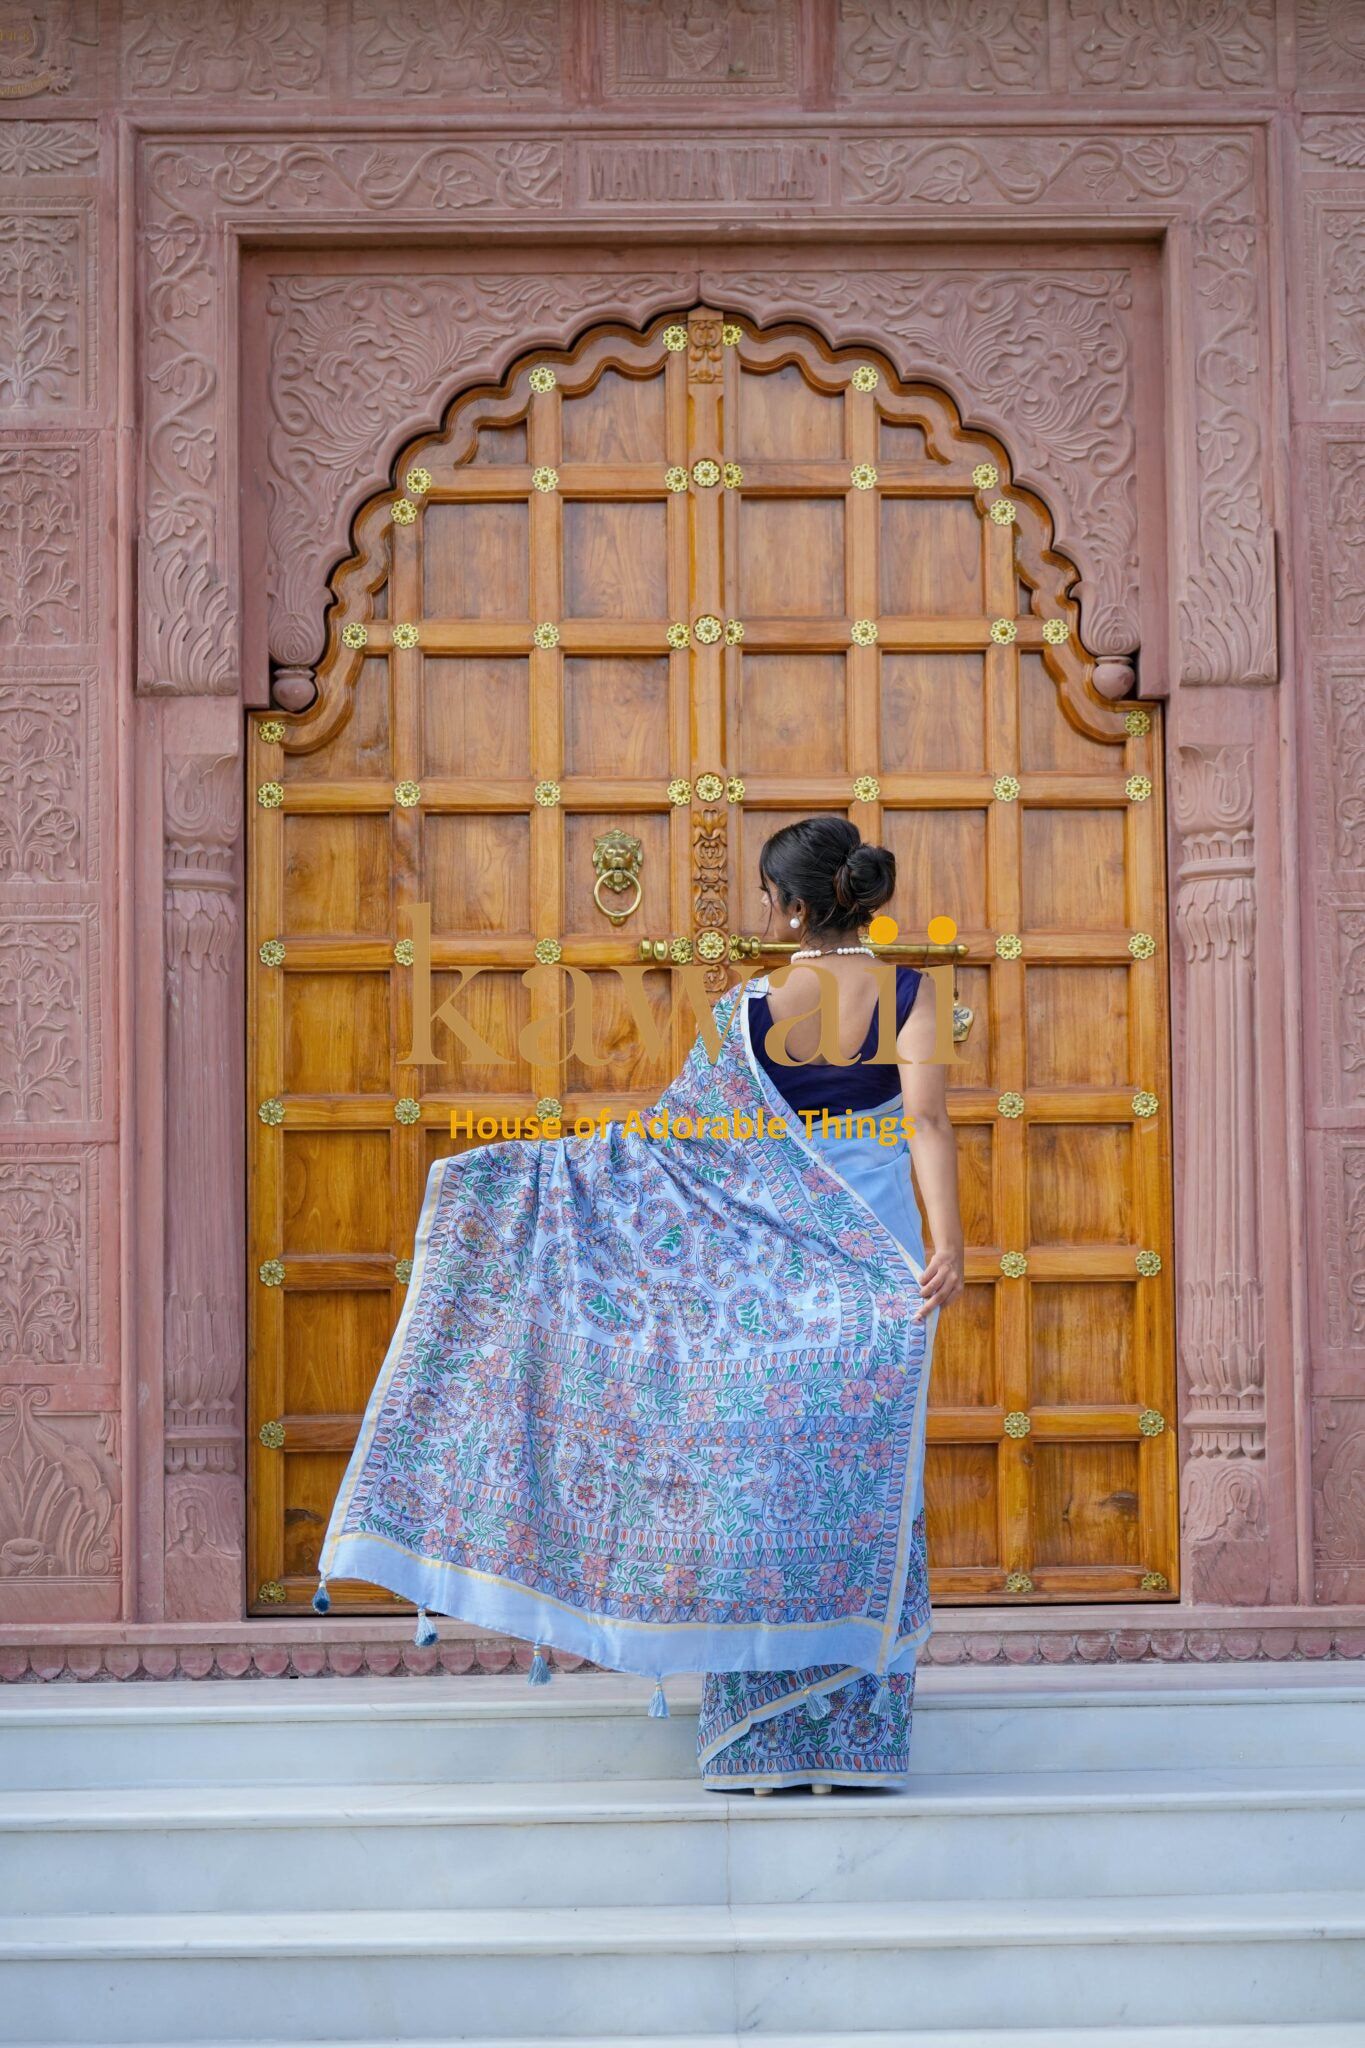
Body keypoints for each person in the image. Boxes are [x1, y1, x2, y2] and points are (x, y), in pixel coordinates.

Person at [315, 815, 963, 1793]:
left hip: (778, 1290)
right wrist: (950, 1241)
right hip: (886, 1275)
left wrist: (526, 1179)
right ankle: (850, 1747)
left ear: (786, 907)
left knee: (763, 1498)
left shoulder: (746, 1011)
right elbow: (923, 1120)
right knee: (875, 1494)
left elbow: (677, 1153)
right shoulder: (912, 992)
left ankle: (759, 1750)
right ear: (859, 899)